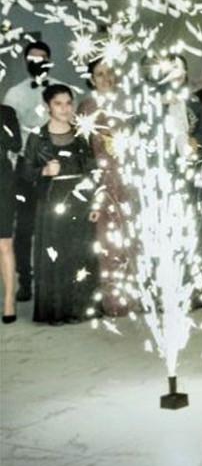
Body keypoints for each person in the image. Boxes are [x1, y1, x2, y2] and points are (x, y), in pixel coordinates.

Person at [19, 84, 99, 325]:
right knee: (56, 257)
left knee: (80, 253)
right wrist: (44, 171)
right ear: (47, 107)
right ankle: (56, 311)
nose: (65, 108)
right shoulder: (37, 137)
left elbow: (92, 170)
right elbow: (26, 172)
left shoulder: (81, 134)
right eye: (58, 103)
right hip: (51, 202)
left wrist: (95, 203)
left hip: (80, 201)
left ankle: (80, 308)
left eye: (68, 103)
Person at [3, 39, 70, 303]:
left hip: (59, 164)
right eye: (33, 59)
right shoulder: (14, 94)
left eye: (43, 58)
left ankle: (57, 279)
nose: (38, 63)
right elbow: (9, 136)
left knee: (59, 222)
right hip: (26, 167)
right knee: (25, 227)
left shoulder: (60, 91)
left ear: (49, 61)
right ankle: (26, 280)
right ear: (25, 62)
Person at [77, 57, 134, 317]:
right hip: (102, 181)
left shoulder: (127, 103)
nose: (106, 78)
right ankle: (112, 300)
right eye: (100, 74)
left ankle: (133, 295)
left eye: (109, 72)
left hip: (129, 179)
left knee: (130, 240)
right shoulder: (87, 107)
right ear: (91, 79)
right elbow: (82, 150)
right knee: (107, 242)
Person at [0, 101, 19, 323]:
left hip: (2, 182)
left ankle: (8, 301)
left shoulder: (6, 113)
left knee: (4, 243)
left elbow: (16, 144)